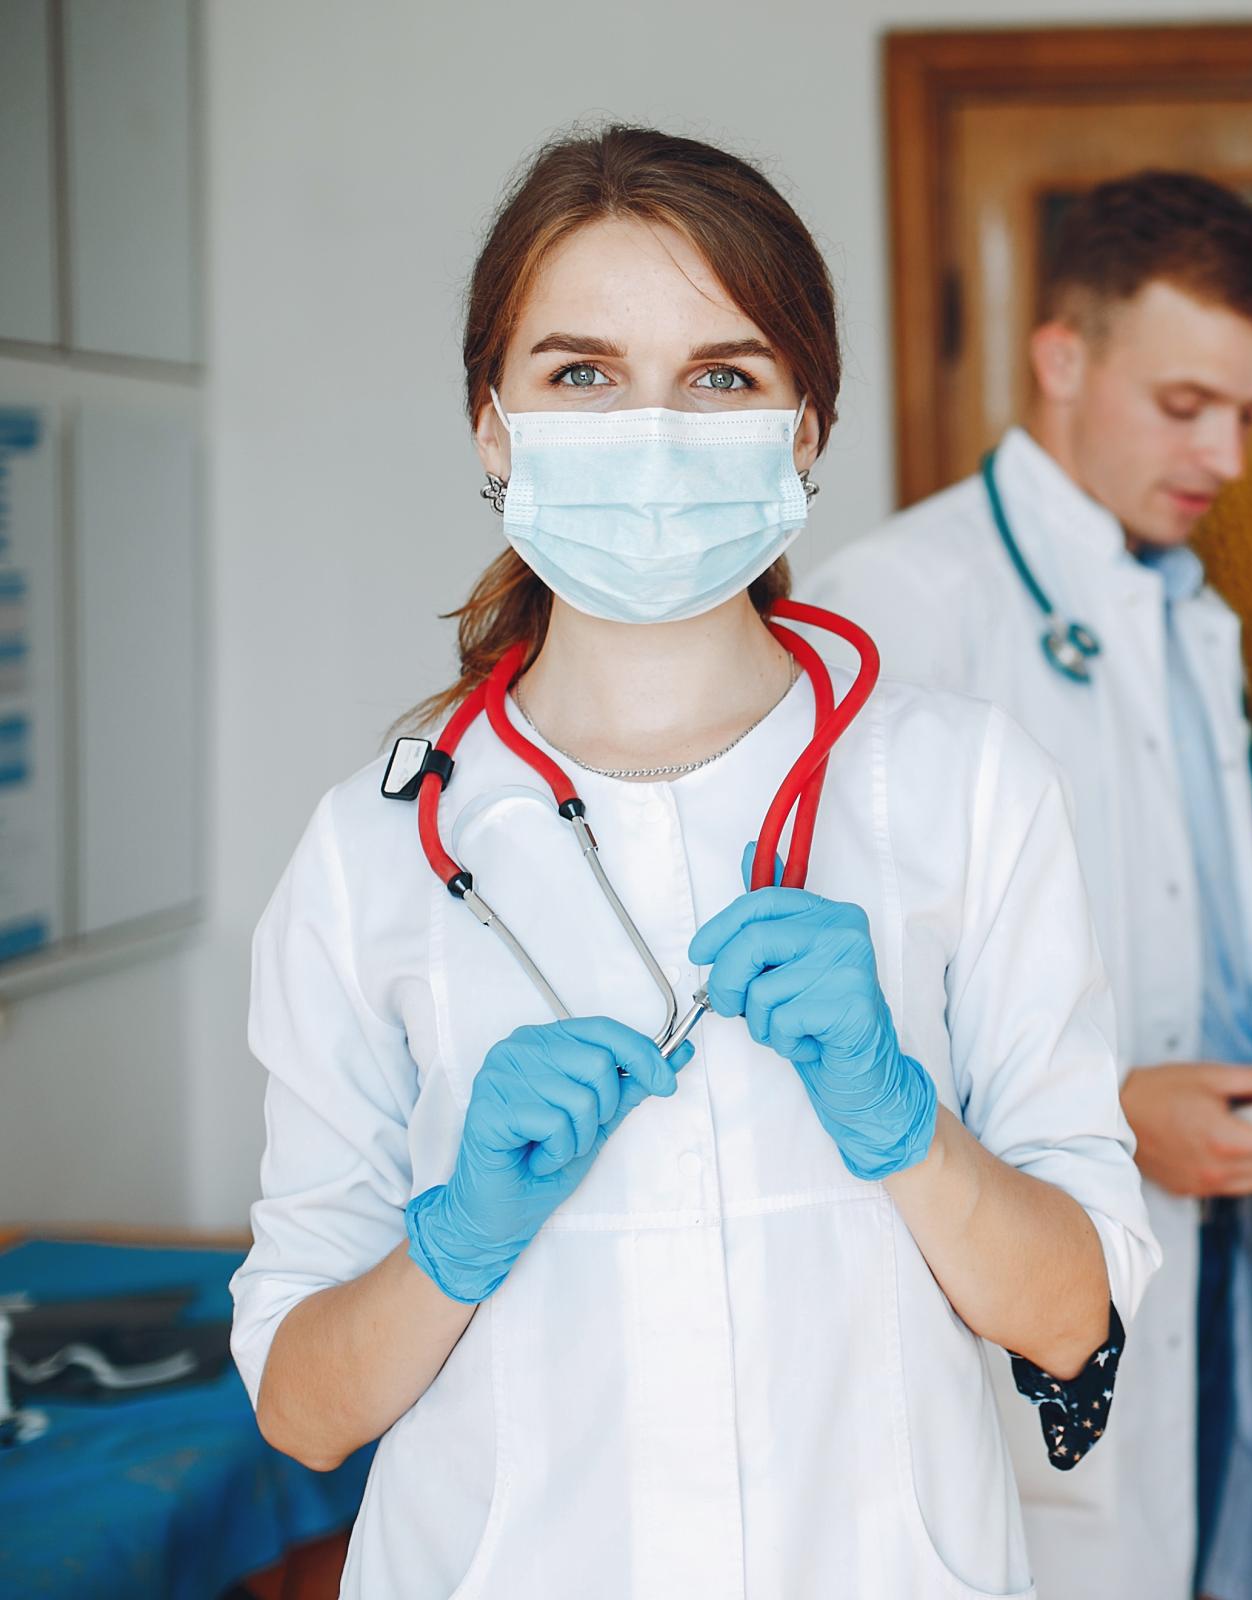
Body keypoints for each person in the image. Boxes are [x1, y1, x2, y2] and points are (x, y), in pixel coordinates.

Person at [228, 125, 1157, 1598]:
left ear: (803, 431)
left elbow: (1068, 1323)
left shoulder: (963, 789)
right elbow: (304, 1409)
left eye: (721, 376)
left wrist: (904, 1123)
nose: (650, 431)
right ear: (492, 424)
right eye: (582, 373)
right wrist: (458, 1237)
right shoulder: (371, 851)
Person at [801, 171, 1252, 1600]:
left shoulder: (1188, 613)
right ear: (1061, 358)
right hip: (1016, 1304)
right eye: (1186, 406)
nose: (1228, 458)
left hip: (1211, 1264)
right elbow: (833, 1036)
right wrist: (1126, 1118)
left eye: (1248, 412)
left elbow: (1203, 956)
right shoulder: (898, 612)